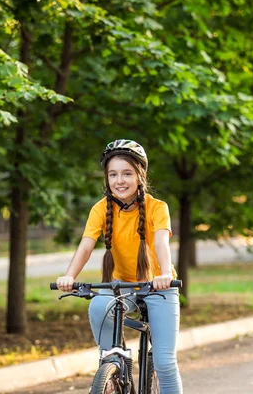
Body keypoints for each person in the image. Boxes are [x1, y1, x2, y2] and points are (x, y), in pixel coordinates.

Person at [56, 139, 183, 394]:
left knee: (165, 363)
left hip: (158, 287)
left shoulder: (158, 208)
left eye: (127, 173)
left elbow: (161, 243)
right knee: (98, 305)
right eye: (113, 174)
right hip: (122, 286)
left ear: (140, 176)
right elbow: (85, 245)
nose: (119, 180)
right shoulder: (101, 208)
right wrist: (69, 276)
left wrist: (165, 274)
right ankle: (112, 366)